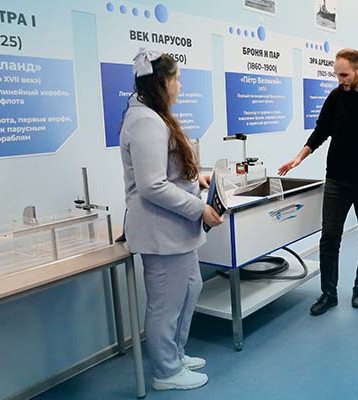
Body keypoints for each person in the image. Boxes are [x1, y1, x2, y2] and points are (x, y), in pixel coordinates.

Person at [120, 49, 224, 391]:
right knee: (166, 304)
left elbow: (167, 172)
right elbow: (152, 185)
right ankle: (165, 372)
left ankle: (176, 355)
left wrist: (196, 180)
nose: (180, 85)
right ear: (161, 82)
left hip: (176, 233)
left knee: (189, 290)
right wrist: (199, 209)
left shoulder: (154, 116)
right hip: (161, 233)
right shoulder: (145, 122)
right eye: (177, 79)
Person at [278, 48, 358, 316]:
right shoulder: (336, 97)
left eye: (344, 75)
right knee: (329, 236)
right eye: (337, 75)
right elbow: (321, 130)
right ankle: (328, 293)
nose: (340, 80)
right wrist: (299, 157)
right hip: (337, 180)